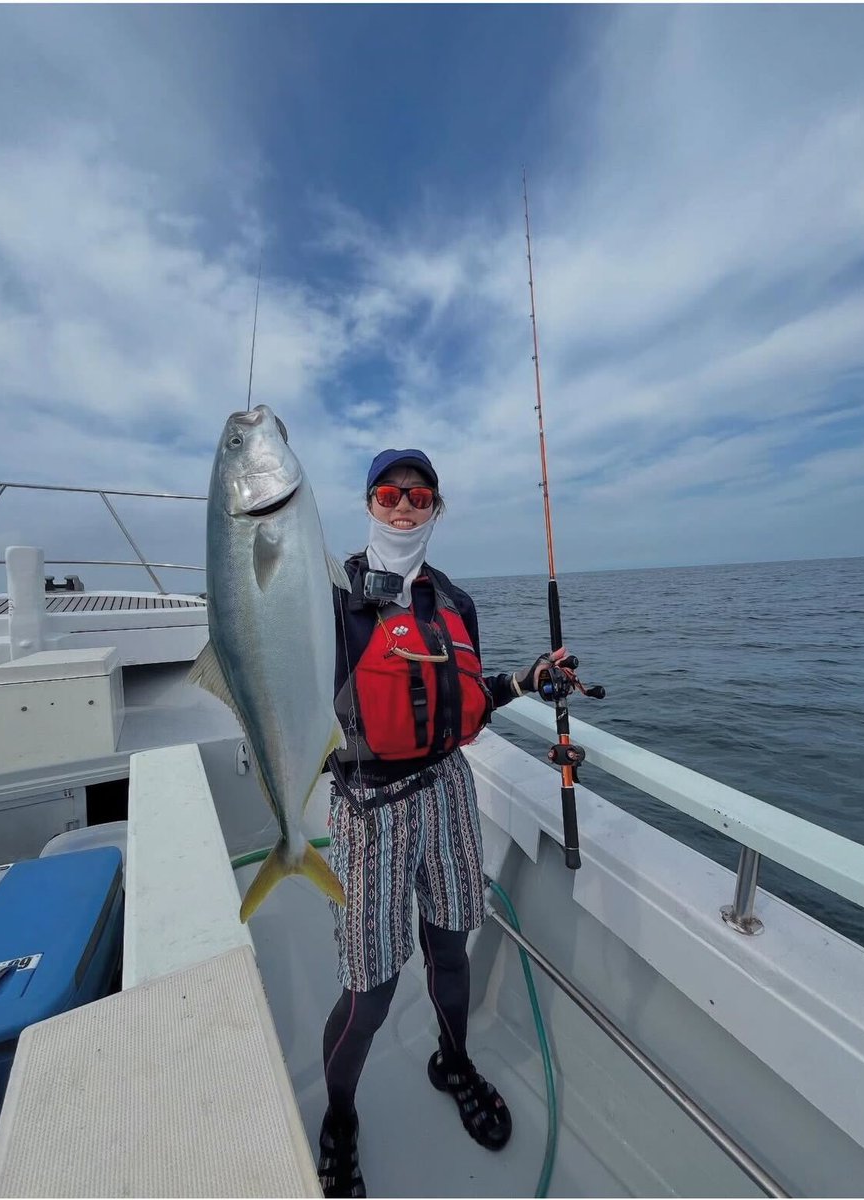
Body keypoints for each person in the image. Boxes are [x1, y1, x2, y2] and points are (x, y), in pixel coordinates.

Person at [318, 448, 576, 1198]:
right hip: (366, 806)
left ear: (435, 507)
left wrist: (527, 680)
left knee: (451, 945)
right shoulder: (328, 594)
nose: (403, 506)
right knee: (369, 988)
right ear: (367, 502)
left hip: (447, 792)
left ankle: (452, 1061)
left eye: (419, 494)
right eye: (388, 493)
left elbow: (459, 698)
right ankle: (339, 1118)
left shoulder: (454, 600)